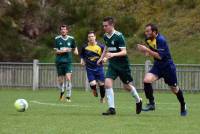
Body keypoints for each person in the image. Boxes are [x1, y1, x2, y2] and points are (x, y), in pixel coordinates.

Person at [137, 23, 187, 116]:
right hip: (158, 66)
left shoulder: (161, 40)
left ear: (154, 32)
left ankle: (183, 104)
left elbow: (160, 56)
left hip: (168, 67)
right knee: (146, 80)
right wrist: (144, 51)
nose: (146, 33)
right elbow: (152, 52)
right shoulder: (148, 40)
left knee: (174, 89)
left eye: (148, 31)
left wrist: (147, 50)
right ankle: (151, 104)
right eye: (145, 31)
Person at [102, 16, 142, 115]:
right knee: (107, 83)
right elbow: (106, 47)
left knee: (127, 87)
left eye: (106, 26)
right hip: (112, 65)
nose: (104, 27)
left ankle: (138, 100)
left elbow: (124, 52)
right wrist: (102, 58)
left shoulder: (119, 36)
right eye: (103, 26)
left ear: (112, 25)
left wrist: (112, 54)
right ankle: (112, 109)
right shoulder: (105, 36)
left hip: (123, 65)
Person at [54, 24, 78, 102]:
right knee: (61, 81)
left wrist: (76, 51)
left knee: (68, 78)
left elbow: (75, 47)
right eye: (62, 29)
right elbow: (56, 51)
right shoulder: (57, 39)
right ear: (60, 31)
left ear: (67, 30)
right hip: (59, 62)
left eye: (64, 29)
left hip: (68, 62)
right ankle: (62, 91)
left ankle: (68, 96)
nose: (63, 30)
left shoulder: (71, 39)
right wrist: (65, 50)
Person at [80, 31, 106, 103]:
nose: (91, 38)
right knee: (93, 84)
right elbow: (82, 55)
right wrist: (82, 60)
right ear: (88, 38)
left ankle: (102, 98)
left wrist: (105, 58)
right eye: (89, 37)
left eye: (92, 36)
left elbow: (106, 54)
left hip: (99, 68)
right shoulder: (84, 47)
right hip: (89, 68)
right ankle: (94, 90)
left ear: (95, 37)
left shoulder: (101, 46)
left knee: (101, 84)